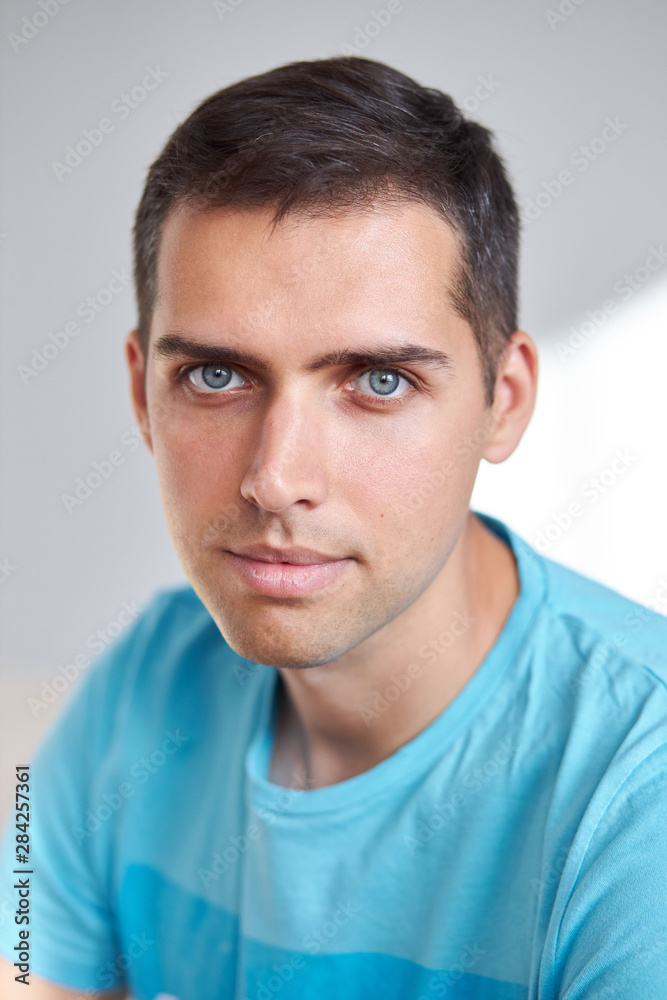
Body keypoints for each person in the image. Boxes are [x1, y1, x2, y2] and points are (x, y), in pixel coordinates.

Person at [1, 55, 666, 1000]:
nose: (275, 480)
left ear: (502, 401)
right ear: (141, 393)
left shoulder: (637, 792)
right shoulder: (137, 690)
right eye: (216, 376)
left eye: (379, 381)